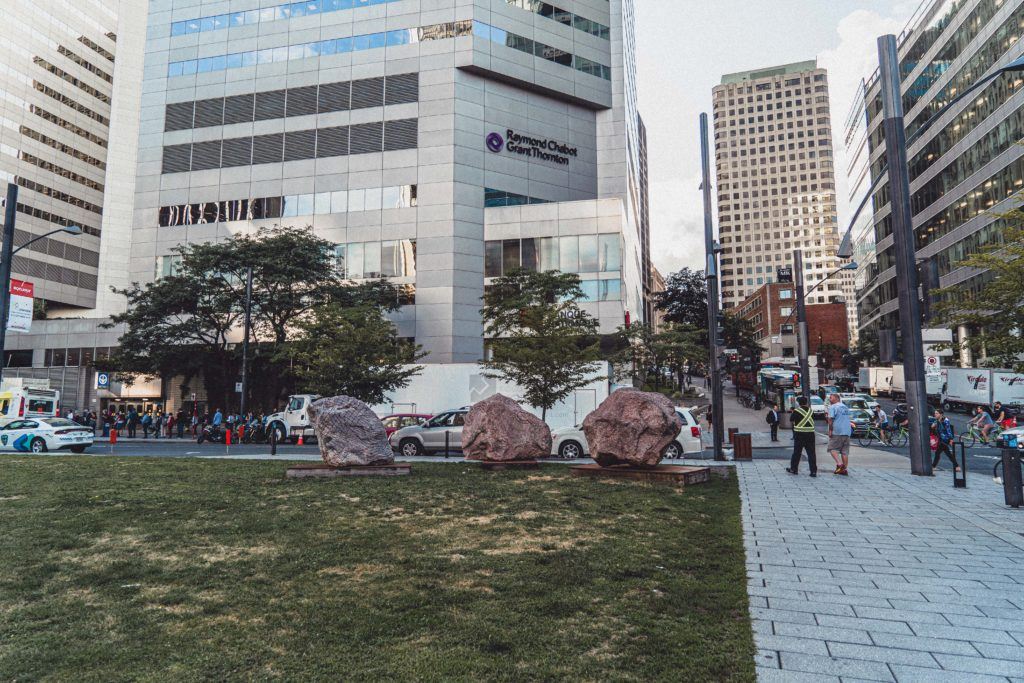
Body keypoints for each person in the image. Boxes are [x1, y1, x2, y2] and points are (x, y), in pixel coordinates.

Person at [786, 396, 817, 477]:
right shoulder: (811, 411)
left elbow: (791, 419)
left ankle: (794, 469)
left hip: (799, 434)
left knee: (797, 452)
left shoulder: (796, 411)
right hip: (810, 434)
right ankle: (813, 471)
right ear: (806, 402)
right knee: (811, 453)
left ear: (799, 403)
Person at [827, 393, 852, 475]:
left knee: (832, 449)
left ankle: (840, 465)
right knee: (844, 452)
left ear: (836, 398)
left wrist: (830, 430)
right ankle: (844, 470)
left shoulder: (833, 407)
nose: (829, 400)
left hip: (838, 431)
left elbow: (830, 420)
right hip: (847, 432)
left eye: (831, 398)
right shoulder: (845, 407)